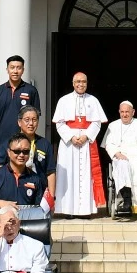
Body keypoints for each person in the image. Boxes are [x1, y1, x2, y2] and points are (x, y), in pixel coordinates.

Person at [51, 72, 106, 217]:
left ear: (87, 83)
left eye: (83, 82)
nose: (81, 84)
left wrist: (86, 135)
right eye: (78, 82)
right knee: (68, 175)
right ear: (73, 83)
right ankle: (67, 210)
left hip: (86, 143)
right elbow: (60, 123)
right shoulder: (64, 100)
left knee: (86, 176)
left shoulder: (93, 100)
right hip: (69, 144)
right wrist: (71, 137)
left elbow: (96, 122)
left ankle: (86, 210)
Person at [102, 100, 137, 218]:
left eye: (127, 112)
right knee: (122, 164)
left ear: (133, 112)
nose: (125, 114)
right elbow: (108, 144)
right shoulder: (113, 126)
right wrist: (117, 153)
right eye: (122, 112)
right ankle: (126, 203)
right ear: (119, 112)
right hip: (123, 156)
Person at [0, 107, 58, 208]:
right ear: (19, 122)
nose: (31, 123)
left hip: (38, 195)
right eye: (27, 120)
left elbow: (50, 173)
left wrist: (51, 198)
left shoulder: (45, 144)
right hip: (14, 195)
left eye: (34, 120)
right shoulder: (9, 142)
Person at [0, 56, 39, 160]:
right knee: (0, 174)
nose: (15, 71)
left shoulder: (31, 91)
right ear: (7, 69)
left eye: (18, 68)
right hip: (1, 143)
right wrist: (5, 127)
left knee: (24, 175)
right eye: (12, 67)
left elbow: (35, 117)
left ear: (23, 70)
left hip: (24, 144)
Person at [0, 134, 47, 208]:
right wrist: (0, 203)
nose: (21, 155)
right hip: (2, 218)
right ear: (9, 152)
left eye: (25, 151)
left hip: (27, 218)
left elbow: (39, 208)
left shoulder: (35, 178)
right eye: (17, 151)